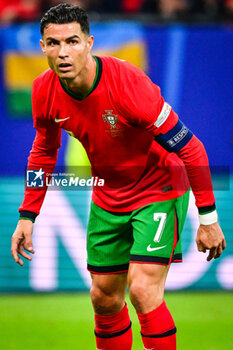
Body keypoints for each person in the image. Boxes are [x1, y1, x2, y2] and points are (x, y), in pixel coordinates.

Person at [11, 3, 226, 350]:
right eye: (53, 43)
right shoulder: (43, 90)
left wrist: (208, 219)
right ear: (42, 47)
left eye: (72, 41)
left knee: (142, 290)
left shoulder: (128, 85)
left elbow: (192, 149)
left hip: (159, 186)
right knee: (104, 298)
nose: (63, 52)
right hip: (109, 194)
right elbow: (43, 152)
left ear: (89, 42)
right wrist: (27, 214)